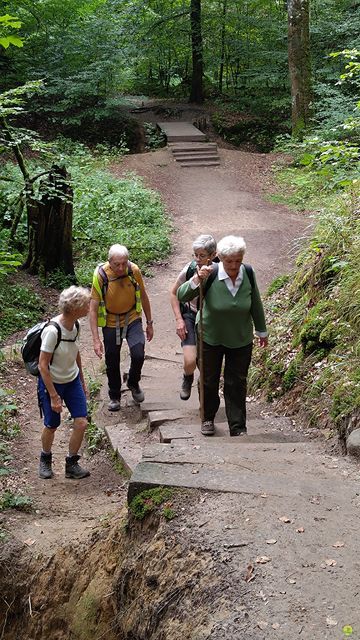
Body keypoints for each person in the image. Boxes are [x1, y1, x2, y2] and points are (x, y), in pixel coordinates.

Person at [177, 235, 268, 437]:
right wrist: (197, 278)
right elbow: (182, 295)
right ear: (220, 258)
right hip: (210, 335)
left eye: (238, 260)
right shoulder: (210, 274)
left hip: (240, 337)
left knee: (236, 382)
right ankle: (207, 418)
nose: (234, 265)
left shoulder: (248, 273)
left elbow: (255, 304)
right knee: (209, 379)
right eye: (229, 261)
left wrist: (262, 330)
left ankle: (237, 426)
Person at [89, 244, 154, 411]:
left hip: (132, 317)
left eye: (124, 263)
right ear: (109, 262)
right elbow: (93, 307)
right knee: (112, 359)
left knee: (138, 353)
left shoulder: (134, 271)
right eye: (117, 264)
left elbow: (144, 296)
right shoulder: (101, 275)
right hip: (110, 321)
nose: (121, 268)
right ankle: (114, 395)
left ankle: (133, 382)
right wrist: (96, 340)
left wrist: (149, 323)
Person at [38, 286, 91, 480]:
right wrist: (53, 396)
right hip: (52, 383)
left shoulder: (76, 326)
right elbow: (43, 365)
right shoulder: (52, 331)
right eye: (85, 304)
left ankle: (71, 463)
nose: (88, 307)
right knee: (52, 425)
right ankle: (45, 458)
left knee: (81, 422)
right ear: (75, 308)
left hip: (72, 380)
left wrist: (82, 382)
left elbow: (75, 353)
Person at [170, 234, 217, 400]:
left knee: (206, 366)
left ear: (213, 255)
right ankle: (187, 376)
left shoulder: (220, 271)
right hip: (190, 315)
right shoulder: (190, 269)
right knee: (190, 361)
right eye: (195, 255)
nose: (197, 259)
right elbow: (174, 292)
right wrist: (179, 319)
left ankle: (205, 404)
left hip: (210, 319)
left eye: (202, 256)